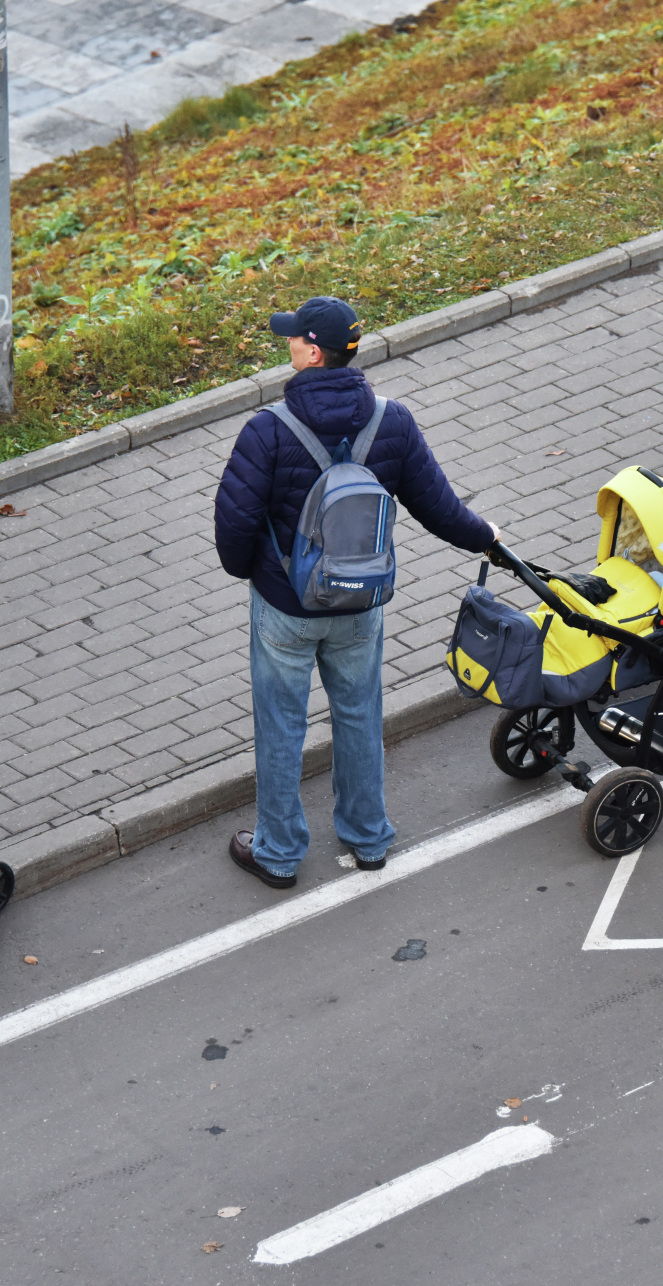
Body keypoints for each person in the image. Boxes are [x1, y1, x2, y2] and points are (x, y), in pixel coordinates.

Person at [214, 296, 498, 888]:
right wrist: (485, 537)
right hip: (359, 603)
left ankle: (279, 852)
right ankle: (368, 837)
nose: (286, 343)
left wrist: (254, 574)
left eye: (294, 338)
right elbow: (438, 507)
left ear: (312, 352)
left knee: (281, 726)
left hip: (286, 608)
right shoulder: (390, 420)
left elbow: (234, 523)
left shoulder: (269, 430)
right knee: (360, 714)